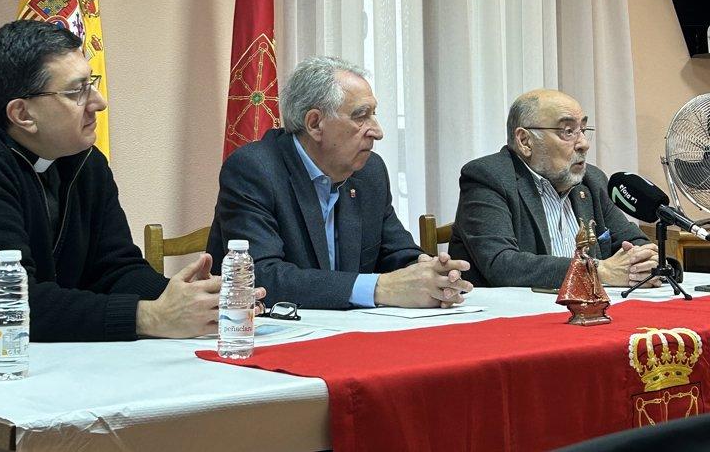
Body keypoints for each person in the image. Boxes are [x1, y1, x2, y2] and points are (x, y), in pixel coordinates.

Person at [0, 21, 255, 341]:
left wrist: (192, 298)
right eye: (77, 92)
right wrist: (147, 316)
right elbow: (8, 306)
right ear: (22, 114)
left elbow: (114, 270)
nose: (99, 102)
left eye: (92, 84)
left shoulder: (85, 161)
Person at [208, 56, 473, 309]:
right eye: (361, 116)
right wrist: (379, 287)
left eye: (374, 114)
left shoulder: (369, 172)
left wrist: (429, 271)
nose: (378, 132)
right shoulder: (255, 170)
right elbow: (261, 277)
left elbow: (396, 252)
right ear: (315, 123)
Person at [449, 89, 659, 289]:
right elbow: (501, 263)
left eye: (583, 130)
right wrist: (598, 270)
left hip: (585, 313)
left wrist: (646, 263)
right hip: (514, 318)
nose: (583, 144)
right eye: (568, 131)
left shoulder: (591, 181)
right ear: (525, 141)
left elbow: (635, 243)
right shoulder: (488, 177)